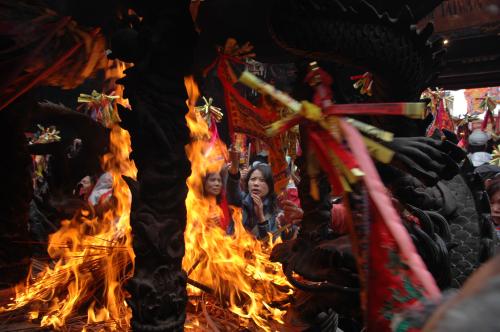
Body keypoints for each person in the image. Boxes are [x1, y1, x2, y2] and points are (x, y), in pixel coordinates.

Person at [226, 149, 280, 239]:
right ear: (247, 183)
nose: (256, 183)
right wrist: (234, 168)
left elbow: (270, 242)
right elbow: (232, 188)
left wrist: (261, 217)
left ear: (271, 185)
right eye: (253, 179)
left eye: (262, 180)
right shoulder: (240, 201)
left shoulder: (275, 211)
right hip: (234, 251)